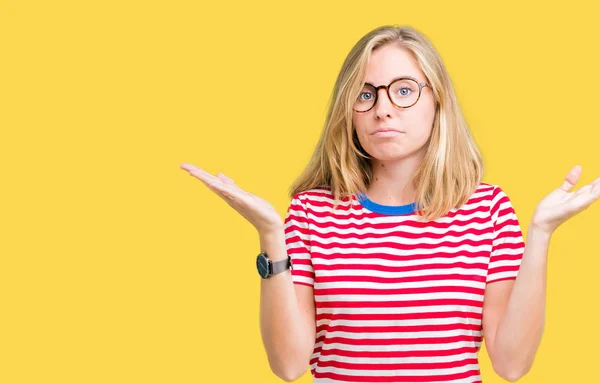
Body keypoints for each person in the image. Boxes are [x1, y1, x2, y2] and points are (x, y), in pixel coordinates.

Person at [180, 25, 600, 383]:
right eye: (366, 95)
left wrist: (542, 234)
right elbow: (288, 366)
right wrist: (270, 235)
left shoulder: (488, 211)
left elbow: (511, 365)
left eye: (403, 91)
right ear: (349, 111)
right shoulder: (311, 214)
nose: (383, 110)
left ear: (438, 101)